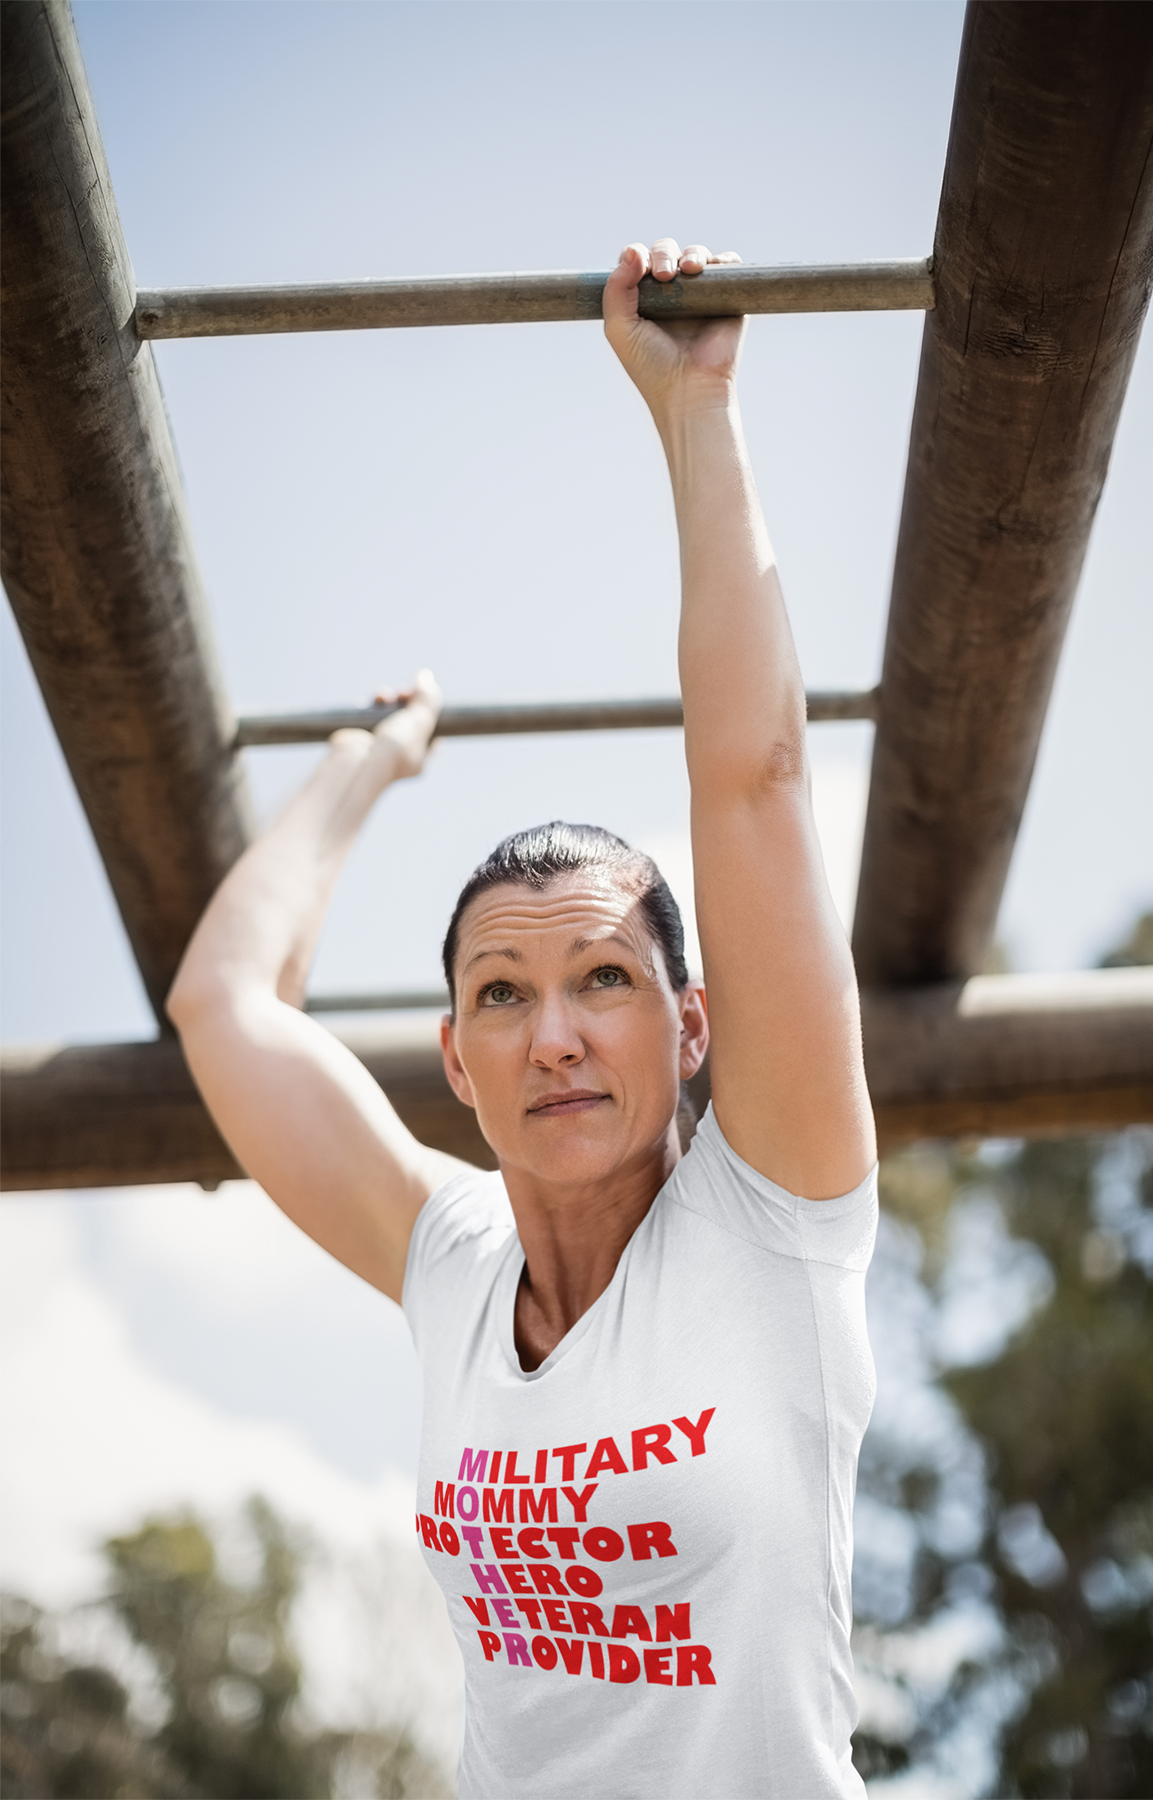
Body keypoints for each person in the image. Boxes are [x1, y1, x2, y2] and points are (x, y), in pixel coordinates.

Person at [168, 236, 879, 1799]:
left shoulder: (774, 1218)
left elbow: (753, 779)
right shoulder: (451, 1264)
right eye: (504, 996)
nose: (554, 1033)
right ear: (459, 1064)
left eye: (604, 981)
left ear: (692, 1028)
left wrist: (697, 414)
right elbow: (223, 1007)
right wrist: (367, 763)